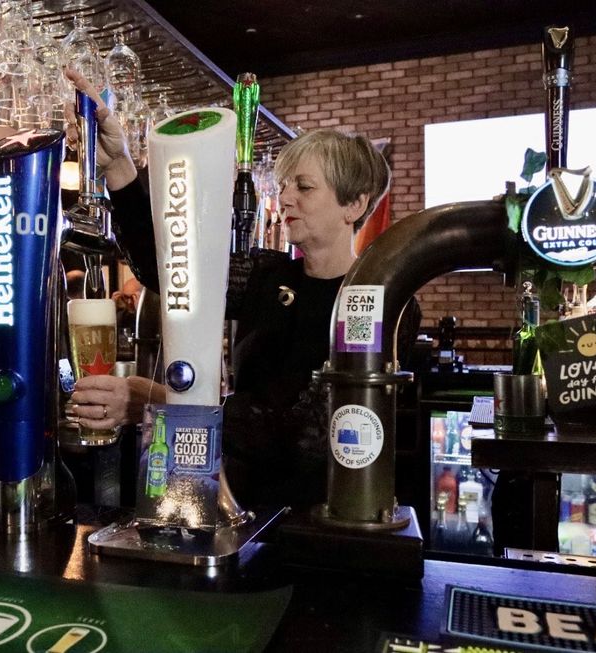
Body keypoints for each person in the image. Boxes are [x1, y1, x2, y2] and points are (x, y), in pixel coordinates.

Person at [66, 69, 419, 508]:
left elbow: (307, 432)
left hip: (322, 523)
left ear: (355, 204)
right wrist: (118, 168)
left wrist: (161, 401)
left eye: (304, 187)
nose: (286, 199)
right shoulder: (267, 277)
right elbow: (174, 269)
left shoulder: (378, 301)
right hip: (242, 509)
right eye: (286, 185)